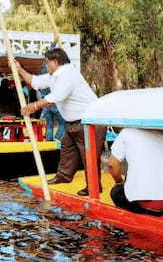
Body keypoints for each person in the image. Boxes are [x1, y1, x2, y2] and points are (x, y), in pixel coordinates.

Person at [14, 48, 105, 196]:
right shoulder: (55, 75)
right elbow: (35, 81)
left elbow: (57, 96)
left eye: (47, 62)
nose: (46, 65)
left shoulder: (68, 73)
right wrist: (19, 69)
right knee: (67, 148)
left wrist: (34, 106)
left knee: (89, 155)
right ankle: (63, 177)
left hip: (90, 121)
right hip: (74, 122)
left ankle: (94, 187)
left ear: (55, 62)